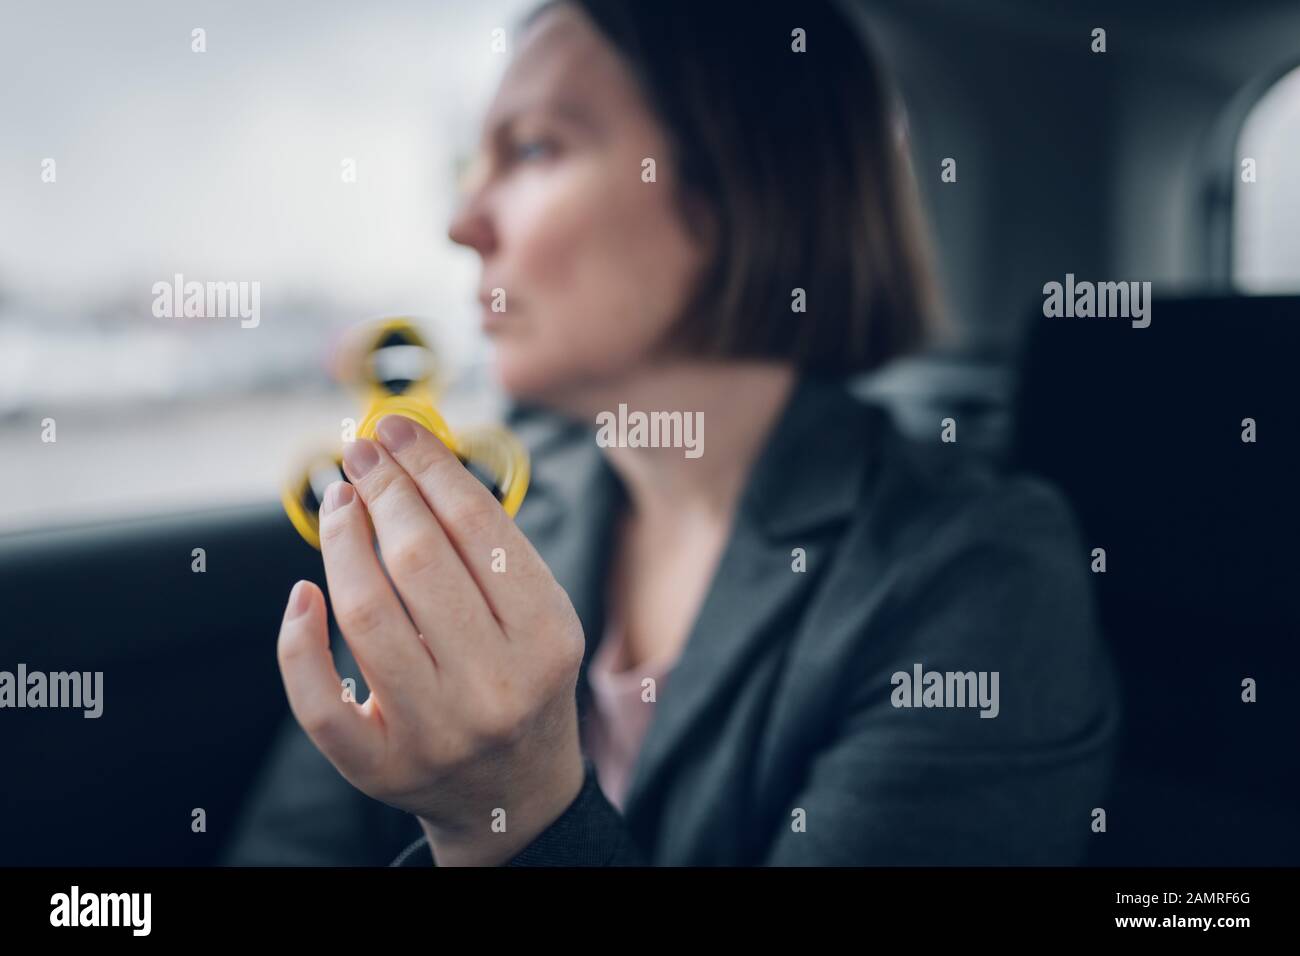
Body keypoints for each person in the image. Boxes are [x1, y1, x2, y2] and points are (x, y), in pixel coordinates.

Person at [222, 0, 1119, 867]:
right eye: (474, 158)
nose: (463, 225)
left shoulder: (977, 574)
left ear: (740, 189)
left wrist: (516, 821)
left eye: (535, 148)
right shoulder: (493, 515)